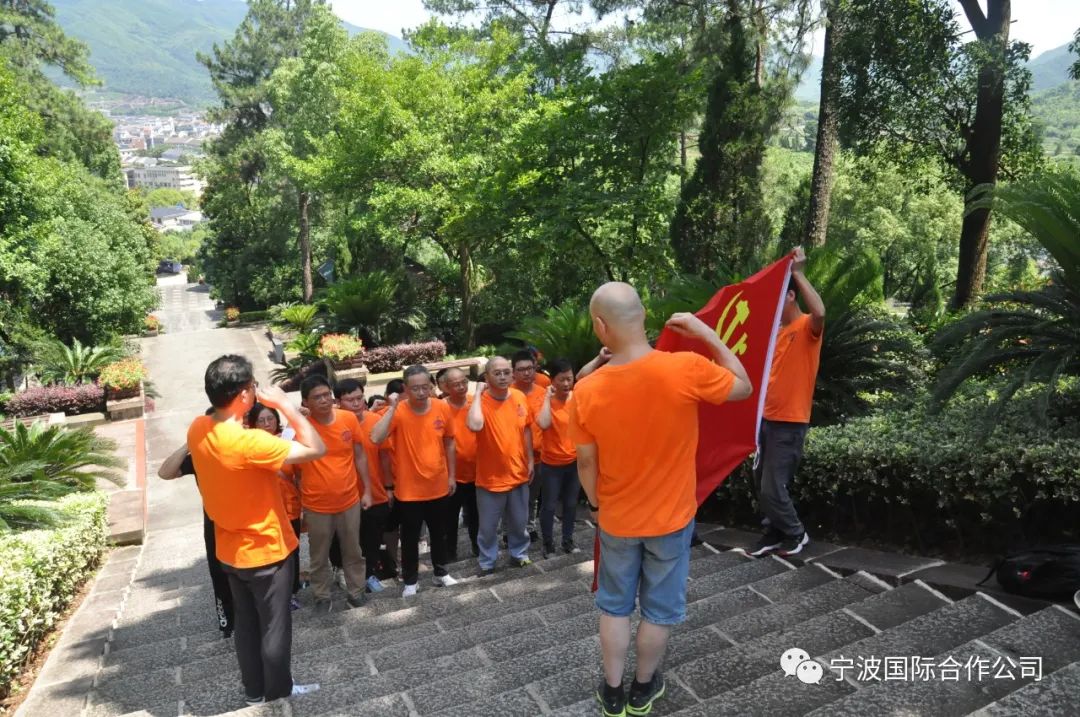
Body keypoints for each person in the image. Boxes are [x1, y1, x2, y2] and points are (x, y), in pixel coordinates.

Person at [569, 284, 752, 717]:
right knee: (658, 610)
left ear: (600, 326)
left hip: (617, 518)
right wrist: (706, 333)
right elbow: (743, 387)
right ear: (644, 315)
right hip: (671, 518)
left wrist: (595, 505)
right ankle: (642, 689)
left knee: (614, 607)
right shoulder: (684, 368)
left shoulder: (587, 390)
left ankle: (612, 692)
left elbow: (586, 463)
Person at [186, 355, 326, 706]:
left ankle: (254, 692)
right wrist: (286, 407)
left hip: (230, 550)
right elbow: (316, 448)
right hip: (266, 550)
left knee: (246, 626)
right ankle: (277, 695)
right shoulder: (250, 443)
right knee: (274, 626)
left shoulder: (198, 428)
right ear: (245, 394)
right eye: (252, 386)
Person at [747, 246, 825, 558]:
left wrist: (797, 274)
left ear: (790, 296)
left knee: (772, 486)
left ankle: (796, 533)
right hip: (766, 420)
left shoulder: (806, 327)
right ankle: (774, 531)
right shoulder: (776, 334)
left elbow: (820, 313)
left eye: (777, 299)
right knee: (760, 482)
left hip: (789, 422)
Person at [371, 365, 459, 596]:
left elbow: (450, 441)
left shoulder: (442, 407)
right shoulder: (399, 411)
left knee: (439, 533)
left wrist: (451, 475)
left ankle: (441, 572)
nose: (421, 392)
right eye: (415, 388)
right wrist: (392, 407)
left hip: (438, 484)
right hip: (409, 490)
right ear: (405, 389)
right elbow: (376, 437)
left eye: (425, 387)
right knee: (409, 537)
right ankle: (411, 580)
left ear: (431, 386)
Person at [297, 374, 373, 611]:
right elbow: (292, 468)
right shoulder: (300, 427)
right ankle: (322, 596)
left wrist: (367, 490)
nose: (324, 400)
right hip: (316, 504)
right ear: (305, 402)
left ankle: (356, 592)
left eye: (326, 395)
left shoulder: (348, 418)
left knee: (353, 550)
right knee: (319, 555)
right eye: (316, 397)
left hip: (349, 499)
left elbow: (360, 455)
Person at [158, 408, 235, 638]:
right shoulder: (200, 455)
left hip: (242, 521)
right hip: (214, 523)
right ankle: (228, 623)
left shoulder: (241, 449)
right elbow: (165, 472)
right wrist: (189, 445)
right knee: (220, 574)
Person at [468, 356, 534, 575]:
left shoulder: (519, 396)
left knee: (519, 522)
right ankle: (487, 562)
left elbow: (526, 429)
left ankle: (519, 554)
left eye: (506, 372)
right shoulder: (480, 402)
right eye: (497, 373)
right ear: (487, 377)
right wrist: (477, 394)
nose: (503, 377)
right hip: (490, 478)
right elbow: (474, 425)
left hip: (518, 472)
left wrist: (530, 459)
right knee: (488, 527)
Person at [335, 378, 395, 593]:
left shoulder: (375, 420)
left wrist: (389, 487)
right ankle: (346, 574)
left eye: (359, 398)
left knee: (372, 538)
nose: (356, 403)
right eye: (349, 400)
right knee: (348, 540)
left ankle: (370, 574)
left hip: (375, 492)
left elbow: (385, 457)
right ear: (338, 402)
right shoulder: (333, 423)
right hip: (345, 495)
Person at [246, 403, 303, 609]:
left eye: (270, 418)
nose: (266, 423)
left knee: (293, 552)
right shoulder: (249, 446)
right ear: (254, 424)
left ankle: (292, 592)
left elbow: (298, 475)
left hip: (290, 506)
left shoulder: (286, 442)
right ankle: (275, 593)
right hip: (265, 511)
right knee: (272, 555)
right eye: (261, 420)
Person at [535, 358, 579, 558]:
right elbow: (543, 424)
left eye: (569, 378)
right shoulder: (545, 401)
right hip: (551, 464)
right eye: (561, 379)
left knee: (570, 503)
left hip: (574, 461)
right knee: (549, 505)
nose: (566, 384)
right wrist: (547, 398)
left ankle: (568, 540)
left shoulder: (577, 398)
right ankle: (548, 544)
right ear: (552, 381)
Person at [438, 367, 479, 560]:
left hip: (478, 472)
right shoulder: (440, 407)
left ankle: (478, 548)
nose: (462, 387)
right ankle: (449, 553)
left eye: (464, 382)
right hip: (451, 475)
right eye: (456, 384)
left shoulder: (475, 403)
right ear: (445, 387)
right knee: (449, 518)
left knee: (477, 516)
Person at [511, 349, 546, 541]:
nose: (526, 373)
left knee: (533, 495)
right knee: (512, 497)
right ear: (513, 372)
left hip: (540, 456)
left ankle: (530, 526)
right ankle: (509, 530)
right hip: (515, 457)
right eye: (521, 369)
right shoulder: (507, 393)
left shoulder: (543, 392)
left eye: (530, 368)